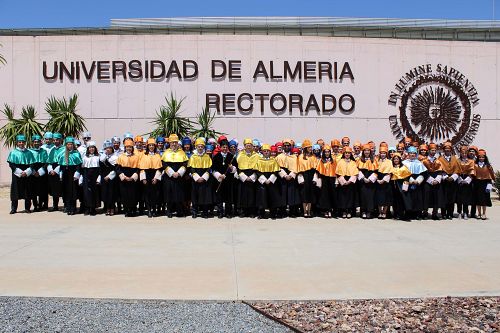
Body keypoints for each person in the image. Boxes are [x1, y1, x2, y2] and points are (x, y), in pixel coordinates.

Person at [161, 134, 189, 218]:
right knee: (169, 194)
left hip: (179, 177)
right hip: (169, 177)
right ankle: (169, 211)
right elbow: (164, 164)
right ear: (169, 143)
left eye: (175, 142)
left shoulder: (182, 152)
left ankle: (179, 211)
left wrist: (179, 173)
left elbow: (185, 164)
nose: (174, 144)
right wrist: (172, 173)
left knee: (179, 194)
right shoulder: (166, 152)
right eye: (172, 142)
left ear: (177, 143)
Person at [7, 134, 35, 214]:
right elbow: (11, 164)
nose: (21, 143)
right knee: (15, 192)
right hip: (17, 174)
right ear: (17, 143)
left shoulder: (29, 152)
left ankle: (27, 208)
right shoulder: (13, 152)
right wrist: (19, 172)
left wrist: (26, 172)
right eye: (19, 142)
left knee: (27, 191)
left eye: (23, 142)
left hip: (27, 175)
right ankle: (14, 208)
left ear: (25, 142)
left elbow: (32, 164)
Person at [253, 144, 281, 219]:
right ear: (262, 152)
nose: (266, 152)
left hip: (272, 182)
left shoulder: (273, 160)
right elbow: (257, 171)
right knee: (262, 198)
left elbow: (276, 171)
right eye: (264, 151)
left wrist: (270, 179)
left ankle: (273, 213)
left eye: (267, 151)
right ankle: (261, 213)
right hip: (262, 181)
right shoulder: (259, 161)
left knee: (272, 197)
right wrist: (264, 180)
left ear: (270, 152)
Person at [188, 138, 214, 218]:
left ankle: (205, 212)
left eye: (201, 146)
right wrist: (196, 177)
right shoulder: (193, 157)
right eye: (198, 146)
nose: (200, 148)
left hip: (205, 179)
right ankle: (195, 212)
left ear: (204, 147)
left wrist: (204, 177)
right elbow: (191, 168)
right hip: (196, 179)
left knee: (205, 196)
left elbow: (209, 168)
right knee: (195, 196)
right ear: (196, 147)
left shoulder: (207, 156)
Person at [276, 138, 301, 218]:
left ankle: (292, 211)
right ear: (283, 146)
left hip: (292, 177)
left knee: (292, 194)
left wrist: (291, 175)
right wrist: (284, 175)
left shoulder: (294, 157)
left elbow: (297, 167)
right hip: (282, 178)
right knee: (282, 194)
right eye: (285, 145)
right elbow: (278, 167)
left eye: (288, 145)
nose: (286, 147)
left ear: (291, 146)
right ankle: (282, 211)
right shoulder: (279, 156)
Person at [58, 137, 83, 215]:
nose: (70, 146)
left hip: (73, 174)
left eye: (71, 144)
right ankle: (68, 207)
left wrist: (77, 173)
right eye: (68, 144)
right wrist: (61, 174)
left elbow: (79, 165)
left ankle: (73, 208)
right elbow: (61, 166)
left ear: (73, 145)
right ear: (66, 145)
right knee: (67, 191)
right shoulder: (63, 153)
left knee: (73, 191)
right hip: (66, 174)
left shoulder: (76, 153)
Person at [212, 139, 236, 218]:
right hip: (219, 180)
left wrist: (232, 168)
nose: (225, 149)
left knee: (228, 197)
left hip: (229, 180)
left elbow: (236, 169)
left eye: (226, 147)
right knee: (219, 197)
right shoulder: (216, 156)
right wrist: (219, 175)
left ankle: (228, 212)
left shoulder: (231, 156)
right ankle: (220, 212)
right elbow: (213, 169)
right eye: (223, 147)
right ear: (220, 147)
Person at [138, 138, 163, 218]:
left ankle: (154, 210)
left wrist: (156, 178)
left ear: (154, 146)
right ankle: (149, 210)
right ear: (148, 146)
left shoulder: (158, 155)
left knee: (155, 194)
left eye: (152, 145)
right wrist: (143, 179)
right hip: (146, 175)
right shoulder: (143, 155)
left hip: (155, 176)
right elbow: (141, 168)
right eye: (150, 145)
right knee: (147, 194)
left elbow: (160, 168)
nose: (151, 146)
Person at [236, 138, 260, 217]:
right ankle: (243, 211)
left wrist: (253, 177)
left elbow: (259, 168)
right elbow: (237, 167)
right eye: (247, 145)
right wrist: (244, 177)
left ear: (252, 146)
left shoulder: (257, 155)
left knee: (252, 195)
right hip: (243, 177)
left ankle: (252, 212)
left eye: (250, 145)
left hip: (253, 177)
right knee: (242, 195)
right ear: (244, 146)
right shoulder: (240, 155)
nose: (248, 146)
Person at [402, 146, 427, 220]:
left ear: (416, 154)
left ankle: (417, 214)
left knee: (418, 198)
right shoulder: (404, 163)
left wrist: (418, 180)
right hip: (407, 182)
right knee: (408, 198)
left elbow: (424, 174)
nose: (412, 155)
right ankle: (408, 213)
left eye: (414, 153)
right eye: (411, 153)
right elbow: (402, 173)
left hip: (417, 183)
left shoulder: (419, 163)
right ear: (408, 154)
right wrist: (411, 180)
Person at [116, 138, 140, 217]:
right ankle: (126, 210)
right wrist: (124, 177)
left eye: (130, 147)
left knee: (133, 194)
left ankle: (133, 209)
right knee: (125, 194)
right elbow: (118, 168)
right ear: (125, 148)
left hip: (133, 178)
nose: (129, 148)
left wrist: (133, 177)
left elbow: (138, 168)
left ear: (132, 148)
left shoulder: (136, 157)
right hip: (124, 178)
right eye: (127, 147)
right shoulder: (121, 157)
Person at [438, 142, 461, 219]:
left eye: (449, 149)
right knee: (444, 197)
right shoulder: (440, 159)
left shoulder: (455, 159)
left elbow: (458, 169)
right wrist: (445, 177)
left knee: (452, 198)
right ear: (443, 150)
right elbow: (439, 169)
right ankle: (443, 213)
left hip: (453, 180)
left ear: (451, 150)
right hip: (444, 180)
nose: (447, 151)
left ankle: (450, 213)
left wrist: (453, 177)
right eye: (446, 149)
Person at [422, 143, 445, 220]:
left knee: (437, 197)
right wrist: (431, 180)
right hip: (427, 180)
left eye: (435, 150)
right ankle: (425, 212)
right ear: (428, 151)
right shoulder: (424, 161)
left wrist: (437, 180)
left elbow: (440, 171)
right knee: (426, 197)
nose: (433, 151)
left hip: (437, 181)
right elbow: (424, 172)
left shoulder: (438, 161)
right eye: (432, 150)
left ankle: (434, 213)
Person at [297, 139, 318, 218]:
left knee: (311, 194)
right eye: (308, 147)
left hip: (311, 176)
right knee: (304, 194)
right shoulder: (301, 157)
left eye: (311, 147)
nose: (310, 149)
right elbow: (298, 168)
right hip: (304, 175)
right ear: (305, 148)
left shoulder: (313, 157)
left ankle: (309, 211)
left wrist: (315, 178)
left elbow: (316, 169)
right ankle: (304, 211)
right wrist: (300, 178)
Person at [335, 147, 358, 218]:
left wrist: (350, 181)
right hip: (342, 181)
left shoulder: (353, 162)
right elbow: (337, 172)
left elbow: (355, 173)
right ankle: (343, 211)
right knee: (342, 197)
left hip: (350, 181)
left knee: (350, 197)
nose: (347, 154)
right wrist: (343, 181)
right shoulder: (340, 162)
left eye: (348, 153)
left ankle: (349, 211)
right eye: (346, 153)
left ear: (351, 154)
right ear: (343, 154)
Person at [357, 144, 378, 219]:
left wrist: (370, 179)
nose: (366, 152)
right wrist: (363, 178)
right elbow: (357, 170)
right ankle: (363, 211)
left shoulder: (374, 160)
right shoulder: (359, 160)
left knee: (370, 197)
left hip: (371, 182)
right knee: (363, 196)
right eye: (365, 150)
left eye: (368, 150)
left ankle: (369, 211)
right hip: (362, 181)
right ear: (363, 151)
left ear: (370, 151)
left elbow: (376, 171)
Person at [316, 145, 337, 218]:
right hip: (324, 179)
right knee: (324, 195)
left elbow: (336, 171)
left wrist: (336, 180)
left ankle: (330, 210)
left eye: (328, 152)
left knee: (332, 194)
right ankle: (325, 210)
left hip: (331, 179)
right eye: (325, 152)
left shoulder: (333, 160)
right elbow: (318, 171)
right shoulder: (321, 161)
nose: (327, 153)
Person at [29, 134, 49, 211]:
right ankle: (35, 205)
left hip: (42, 171)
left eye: (38, 142)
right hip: (32, 171)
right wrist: (33, 171)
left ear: (40, 142)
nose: (36, 143)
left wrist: (41, 170)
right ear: (32, 142)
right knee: (33, 190)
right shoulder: (29, 151)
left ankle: (40, 205)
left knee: (41, 189)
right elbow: (28, 162)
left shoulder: (43, 151)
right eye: (35, 142)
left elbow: (47, 162)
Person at [473, 149, 495, 220]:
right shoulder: (475, 165)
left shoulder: (488, 166)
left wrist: (491, 183)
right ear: (478, 157)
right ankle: (479, 213)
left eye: (483, 157)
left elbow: (491, 175)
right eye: (480, 157)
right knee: (478, 199)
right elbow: (473, 175)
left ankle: (484, 213)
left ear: (485, 158)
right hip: (477, 183)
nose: (481, 158)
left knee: (484, 199)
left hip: (485, 183)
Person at [81, 141, 100, 216]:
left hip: (94, 176)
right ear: (88, 149)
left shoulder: (98, 157)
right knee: (86, 193)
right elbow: (83, 169)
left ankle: (93, 209)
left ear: (95, 149)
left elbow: (100, 170)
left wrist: (98, 178)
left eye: (93, 147)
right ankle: (87, 208)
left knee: (94, 193)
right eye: (90, 148)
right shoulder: (85, 157)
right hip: (86, 176)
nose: (91, 149)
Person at [390, 153, 412, 220]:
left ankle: (406, 215)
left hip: (401, 184)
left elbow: (407, 176)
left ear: (399, 159)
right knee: (396, 201)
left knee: (403, 200)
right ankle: (397, 214)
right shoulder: (391, 167)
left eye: (397, 159)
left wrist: (405, 185)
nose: (396, 160)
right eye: (394, 159)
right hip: (394, 185)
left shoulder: (403, 167)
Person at [46, 133, 64, 212]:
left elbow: (63, 162)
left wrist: (56, 170)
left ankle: (66, 205)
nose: (55, 141)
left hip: (60, 171)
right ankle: (55, 205)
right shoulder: (52, 149)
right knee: (54, 190)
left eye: (57, 140)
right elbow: (49, 161)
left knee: (63, 189)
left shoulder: (64, 149)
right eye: (54, 140)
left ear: (61, 140)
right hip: (52, 171)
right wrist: (50, 170)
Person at [99, 140, 118, 216]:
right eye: (106, 148)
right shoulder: (102, 157)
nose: (108, 149)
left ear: (112, 149)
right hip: (104, 177)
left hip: (112, 178)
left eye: (109, 148)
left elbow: (116, 169)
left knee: (112, 193)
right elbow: (100, 168)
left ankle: (112, 208)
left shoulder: (115, 157)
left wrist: (109, 176)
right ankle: (107, 208)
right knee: (105, 193)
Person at [457, 146, 475, 219]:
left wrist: (467, 180)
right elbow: (456, 169)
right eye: (462, 153)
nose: (464, 154)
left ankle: (465, 212)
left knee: (466, 197)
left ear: (467, 153)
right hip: (459, 178)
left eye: (465, 153)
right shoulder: (457, 160)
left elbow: (472, 170)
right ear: (460, 153)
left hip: (468, 179)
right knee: (459, 197)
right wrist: (460, 179)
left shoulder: (471, 161)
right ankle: (459, 212)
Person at [375, 146, 393, 219]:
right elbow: (374, 171)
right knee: (379, 197)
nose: (382, 154)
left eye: (384, 153)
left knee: (386, 198)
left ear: (386, 154)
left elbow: (390, 172)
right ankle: (380, 212)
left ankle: (384, 212)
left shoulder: (389, 161)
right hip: (378, 180)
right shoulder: (377, 161)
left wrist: (383, 180)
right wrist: (377, 179)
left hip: (386, 181)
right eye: (381, 153)